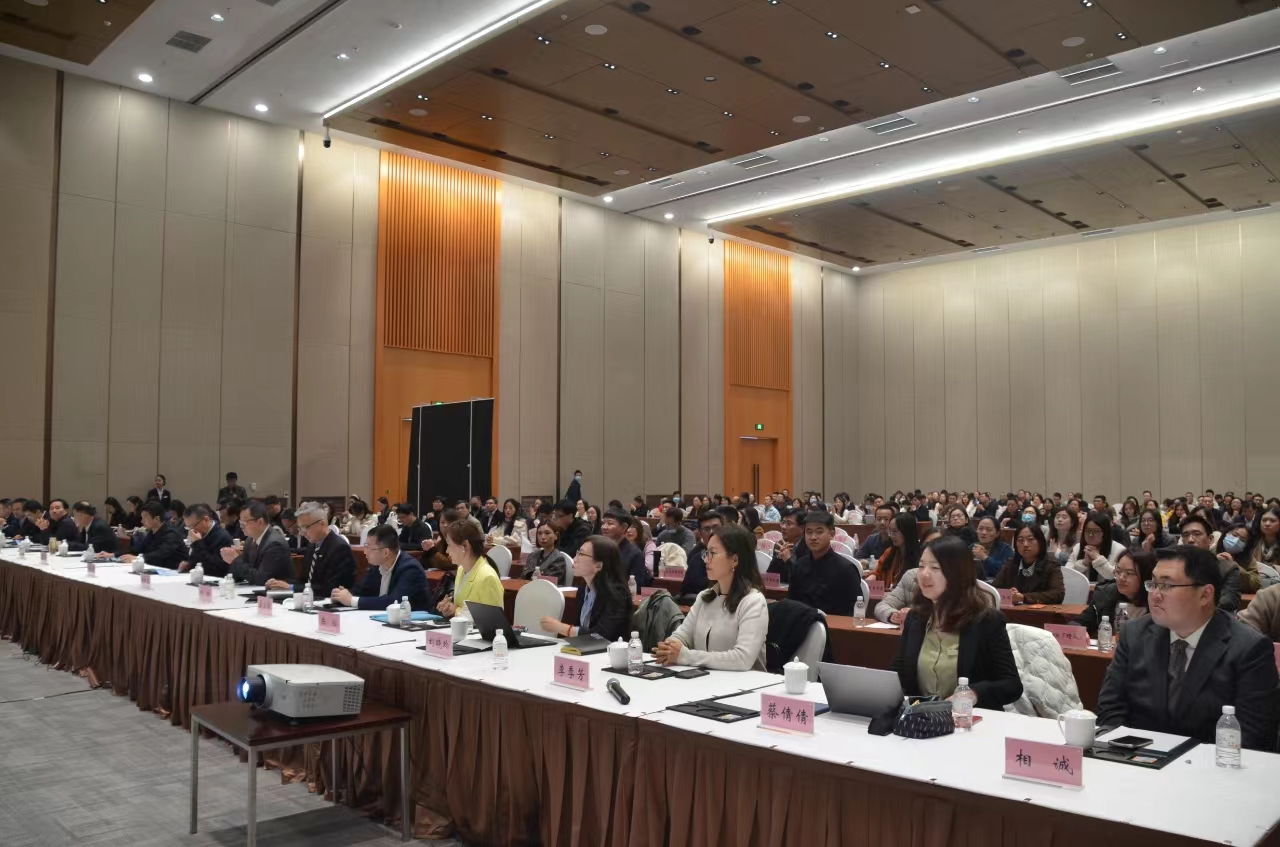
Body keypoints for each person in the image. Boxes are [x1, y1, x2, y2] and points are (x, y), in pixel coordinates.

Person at [1096, 545, 1279, 749]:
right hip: (1138, 756)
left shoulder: (1249, 649)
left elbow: (1254, 736)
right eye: (1153, 584)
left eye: (1166, 586)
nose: (1155, 595)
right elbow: (1110, 709)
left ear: (1205, 595)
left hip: (1209, 763)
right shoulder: (1134, 634)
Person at [890, 536, 1022, 708]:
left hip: (969, 718)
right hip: (922, 717)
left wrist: (974, 693)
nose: (924, 574)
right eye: (921, 566)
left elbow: (1011, 685)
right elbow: (898, 672)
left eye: (935, 568)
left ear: (958, 574)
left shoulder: (986, 621)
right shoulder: (916, 617)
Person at [653, 523, 768, 671]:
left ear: (734, 560)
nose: (706, 559)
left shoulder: (753, 601)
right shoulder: (705, 597)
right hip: (707, 678)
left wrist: (686, 656)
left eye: (713, 553)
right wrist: (670, 647)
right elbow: (682, 636)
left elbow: (742, 659)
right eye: (706, 553)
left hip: (747, 682)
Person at [539, 535, 632, 642]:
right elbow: (581, 627)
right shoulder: (583, 590)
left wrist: (562, 628)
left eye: (581, 554)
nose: (574, 559)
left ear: (598, 566)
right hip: (586, 648)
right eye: (577, 553)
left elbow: (601, 636)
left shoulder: (617, 594)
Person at [266, 501, 355, 598]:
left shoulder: (340, 548)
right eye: (300, 528)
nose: (302, 533)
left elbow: (330, 588)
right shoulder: (312, 546)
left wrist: (291, 587)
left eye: (305, 527)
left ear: (322, 523)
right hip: (308, 600)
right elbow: (304, 581)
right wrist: (280, 583)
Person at [332, 525, 430, 611]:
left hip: (412, 622)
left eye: (369, 547)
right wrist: (341, 596)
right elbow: (361, 591)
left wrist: (351, 600)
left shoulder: (410, 569)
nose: (365, 552)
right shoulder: (377, 566)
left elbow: (395, 602)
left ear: (386, 552)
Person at [788, 511, 861, 616]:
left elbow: (855, 609)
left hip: (834, 623)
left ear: (832, 534)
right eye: (809, 532)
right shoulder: (799, 565)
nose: (813, 537)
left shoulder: (846, 569)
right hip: (803, 622)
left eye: (819, 532)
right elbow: (792, 602)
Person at [1072, 550, 1155, 635]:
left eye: (1129, 573)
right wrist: (1077, 631)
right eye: (1118, 571)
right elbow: (1079, 622)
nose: (1121, 578)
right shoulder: (1106, 594)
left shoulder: (1157, 602)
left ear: (1146, 577)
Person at [435, 521, 504, 618]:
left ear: (465, 545)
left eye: (449, 545)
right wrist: (449, 608)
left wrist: (456, 611)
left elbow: (493, 619)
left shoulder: (488, 577)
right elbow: (461, 606)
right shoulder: (461, 570)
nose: (447, 550)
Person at [1178, 514, 1243, 612]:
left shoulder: (1227, 568)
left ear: (1210, 539)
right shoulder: (1174, 567)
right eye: (1185, 535)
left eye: (1197, 534)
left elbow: (1228, 602)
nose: (1190, 540)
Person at [223, 501, 292, 585]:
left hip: (275, 591)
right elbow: (241, 575)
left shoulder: (274, 544)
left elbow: (262, 579)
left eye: (244, 522)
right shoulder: (250, 540)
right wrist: (233, 560)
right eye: (240, 522)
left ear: (260, 522)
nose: (241, 526)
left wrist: (236, 560)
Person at [993, 523, 1064, 605]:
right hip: (1013, 611)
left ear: (1040, 542)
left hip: (1041, 611)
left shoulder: (1051, 564)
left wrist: (1023, 597)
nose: (1025, 544)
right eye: (1020, 540)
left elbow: (1058, 594)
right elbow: (993, 589)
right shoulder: (1011, 564)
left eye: (1030, 539)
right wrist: (1009, 593)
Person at [120, 501, 185, 569]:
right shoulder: (152, 532)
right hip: (157, 568)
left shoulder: (172, 533)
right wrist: (118, 555)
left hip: (175, 571)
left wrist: (138, 558)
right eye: (142, 518)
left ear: (156, 519)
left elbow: (161, 553)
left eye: (144, 518)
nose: (142, 521)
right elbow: (140, 550)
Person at [676, 509, 724, 600]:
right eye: (706, 529)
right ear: (700, 534)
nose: (712, 532)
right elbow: (685, 593)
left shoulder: (735, 557)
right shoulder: (696, 558)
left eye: (716, 527)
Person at [179, 504, 235, 577]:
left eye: (193, 526)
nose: (191, 531)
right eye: (188, 527)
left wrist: (198, 543)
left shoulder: (222, 537)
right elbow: (197, 560)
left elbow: (216, 569)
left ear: (206, 519)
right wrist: (189, 564)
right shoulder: (198, 535)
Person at [1066, 511, 1124, 581]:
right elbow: (1066, 575)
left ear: (1105, 533)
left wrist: (1098, 558)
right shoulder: (1077, 548)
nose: (1090, 535)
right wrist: (1084, 563)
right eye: (1088, 531)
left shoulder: (1119, 550)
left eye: (1095, 531)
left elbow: (1117, 577)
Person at [600, 508, 650, 588]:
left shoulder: (634, 554)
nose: (604, 527)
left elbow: (636, 586)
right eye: (603, 523)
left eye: (610, 523)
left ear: (624, 527)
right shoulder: (599, 549)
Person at [871, 512, 921, 586]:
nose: (891, 535)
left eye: (895, 531)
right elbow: (877, 572)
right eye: (890, 531)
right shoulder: (889, 552)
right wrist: (870, 579)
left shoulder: (920, 556)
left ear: (907, 532)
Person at [766, 507, 809, 583]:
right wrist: (779, 558)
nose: (783, 527)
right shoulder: (779, 545)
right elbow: (770, 576)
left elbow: (803, 578)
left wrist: (789, 560)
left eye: (789, 524)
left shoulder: (809, 547)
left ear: (802, 528)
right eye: (783, 522)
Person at [971, 515, 1014, 581]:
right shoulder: (971, 547)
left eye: (989, 530)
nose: (984, 532)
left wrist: (985, 558)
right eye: (980, 529)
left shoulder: (1005, 549)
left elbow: (1007, 573)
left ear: (997, 533)